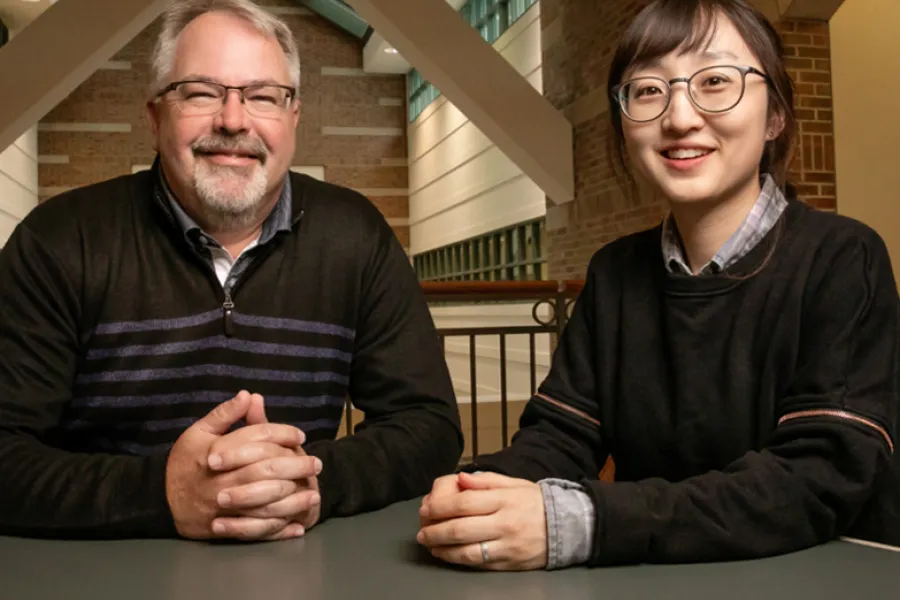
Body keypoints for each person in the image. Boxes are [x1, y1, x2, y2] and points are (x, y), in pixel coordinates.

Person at [416, 0, 900, 571]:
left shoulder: (843, 257)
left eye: (716, 81)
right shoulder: (615, 273)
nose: (679, 117)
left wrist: (581, 523)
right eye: (647, 90)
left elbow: (816, 479)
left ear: (776, 116)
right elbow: (561, 437)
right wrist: (478, 492)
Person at [0, 0, 462, 541]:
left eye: (264, 96)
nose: (234, 120)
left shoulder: (356, 235)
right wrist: (165, 493)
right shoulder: (59, 239)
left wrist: (308, 482)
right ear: (154, 117)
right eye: (200, 92)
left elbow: (428, 424)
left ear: (293, 120)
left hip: (298, 563)